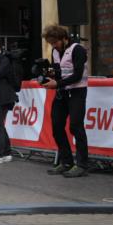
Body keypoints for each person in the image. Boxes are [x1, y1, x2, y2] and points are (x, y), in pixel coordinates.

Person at [41, 25, 90, 178]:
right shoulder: (55, 51)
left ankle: (82, 164)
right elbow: (57, 71)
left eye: (55, 43)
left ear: (64, 39)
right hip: (62, 92)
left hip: (77, 91)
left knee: (76, 126)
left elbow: (77, 75)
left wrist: (57, 83)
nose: (53, 46)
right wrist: (50, 76)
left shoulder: (78, 49)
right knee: (56, 126)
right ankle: (66, 161)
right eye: (51, 43)